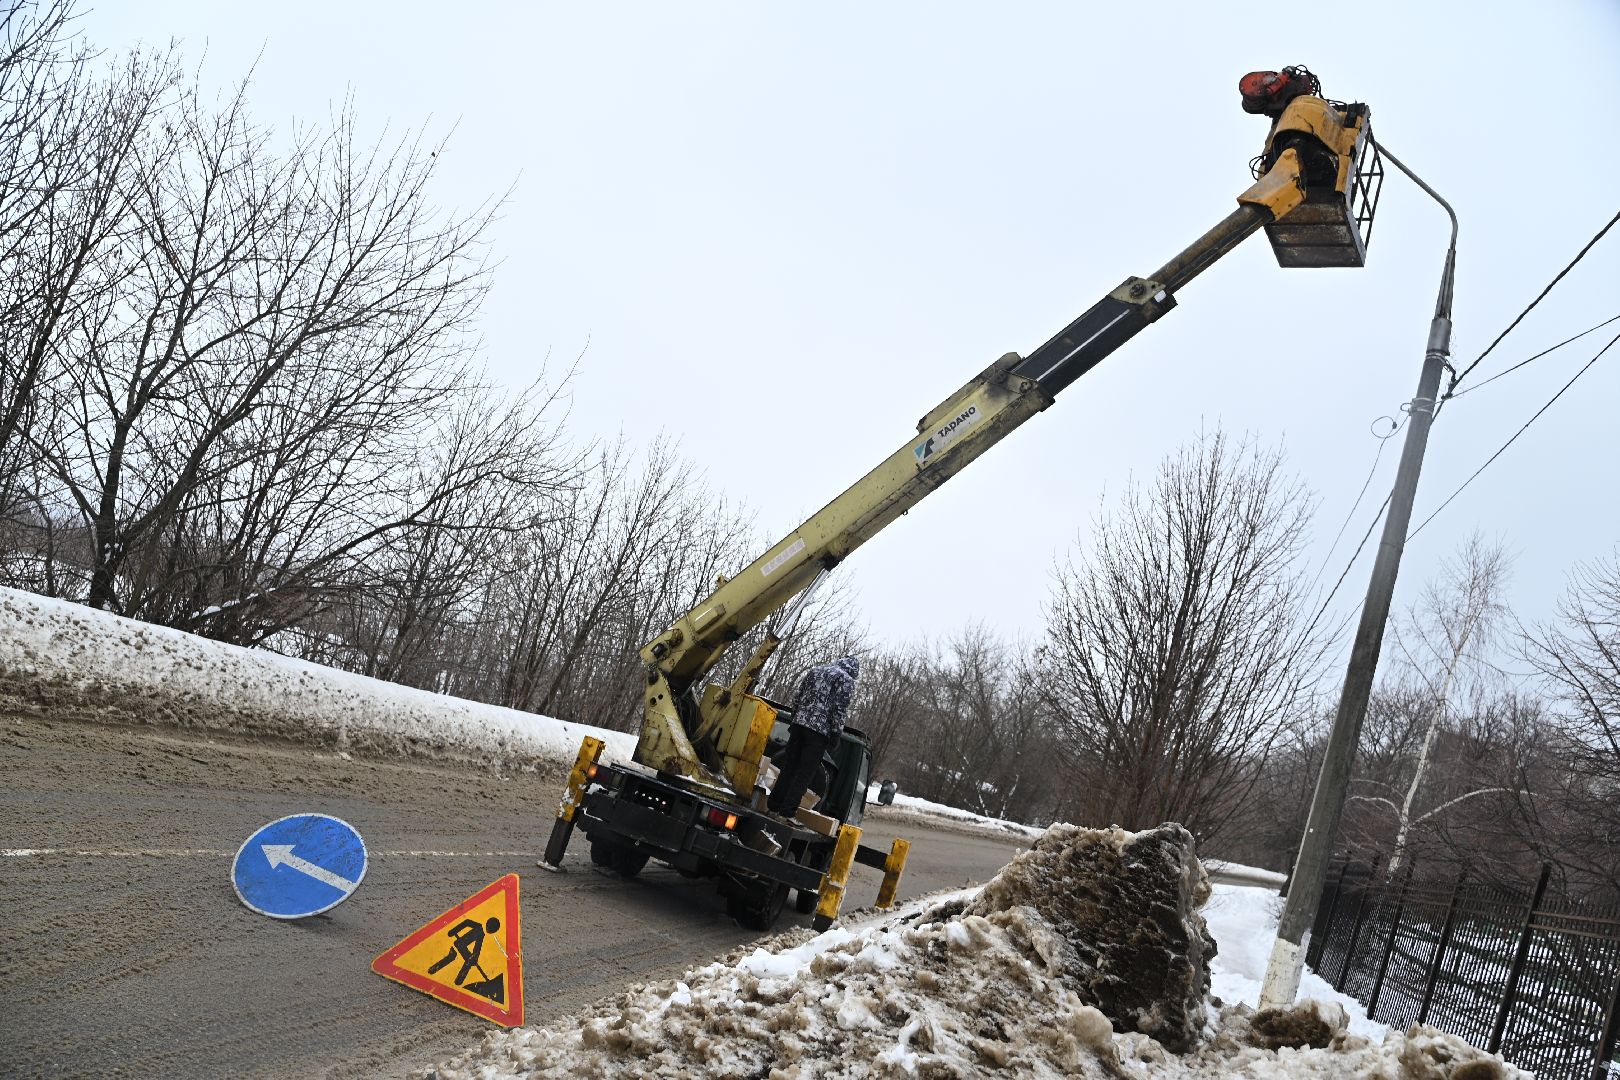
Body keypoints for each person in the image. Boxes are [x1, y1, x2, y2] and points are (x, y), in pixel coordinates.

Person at [767, 655, 859, 818]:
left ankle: (773, 805)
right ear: (853, 672)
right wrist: (836, 734)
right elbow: (839, 710)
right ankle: (787, 812)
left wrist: (796, 718)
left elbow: (797, 697)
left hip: (798, 725)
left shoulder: (816, 670)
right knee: (804, 773)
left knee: (789, 766)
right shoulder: (846, 680)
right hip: (818, 732)